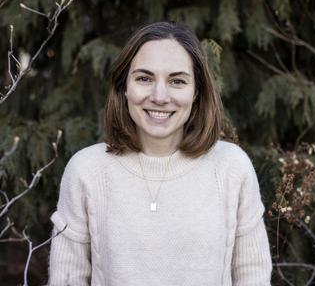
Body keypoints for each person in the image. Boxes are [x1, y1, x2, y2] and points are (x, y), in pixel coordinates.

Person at [48, 21, 272, 285]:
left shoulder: (230, 166)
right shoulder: (87, 170)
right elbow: (67, 278)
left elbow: (253, 275)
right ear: (124, 87)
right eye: (144, 78)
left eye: (177, 81)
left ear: (196, 92)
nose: (160, 96)